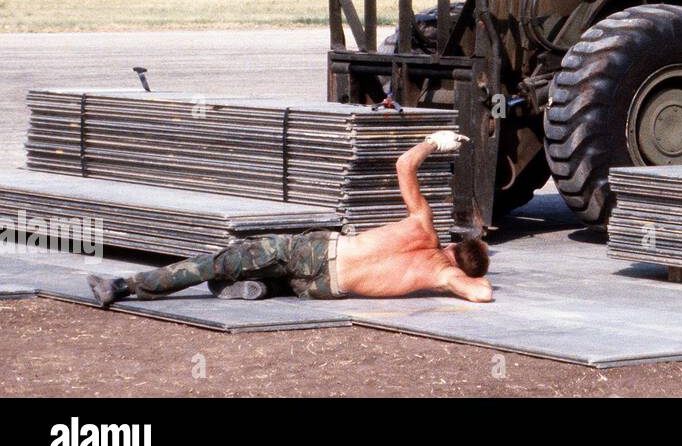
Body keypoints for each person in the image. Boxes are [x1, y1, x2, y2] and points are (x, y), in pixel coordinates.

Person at [86, 130, 494, 306]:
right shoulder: (443, 278)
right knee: (277, 277)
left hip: (317, 252)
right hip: (327, 289)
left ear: (453, 245)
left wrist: (432, 142)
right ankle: (259, 289)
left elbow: (404, 164)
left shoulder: (424, 226)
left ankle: (124, 286)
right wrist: (466, 281)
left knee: (226, 259)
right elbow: (482, 295)